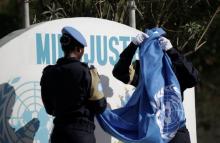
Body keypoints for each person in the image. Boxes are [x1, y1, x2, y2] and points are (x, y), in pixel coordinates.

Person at [112, 33, 199, 143]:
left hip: (176, 131)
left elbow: (193, 77)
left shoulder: (175, 68)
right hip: (151, 131)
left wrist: (172, 52)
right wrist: (132, 46)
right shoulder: (143, 70)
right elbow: (119, 72)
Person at [40, 26, 107, 143]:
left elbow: (49, 109)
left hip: (58, 135)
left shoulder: (48, 73)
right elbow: (100, 105)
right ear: (79, 50)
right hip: (81, 135)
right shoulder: (88, 72)